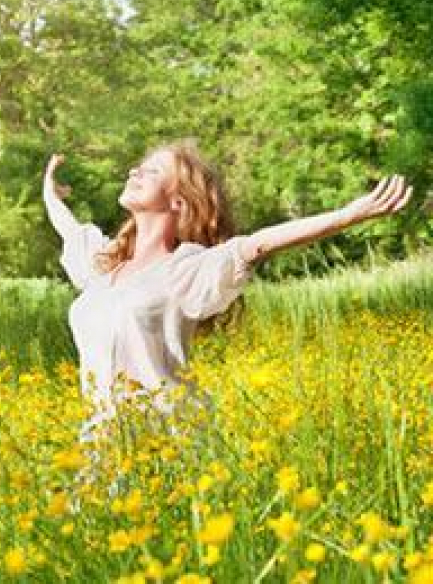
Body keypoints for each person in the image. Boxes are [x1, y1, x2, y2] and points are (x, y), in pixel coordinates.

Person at [43, 139, 413, 452]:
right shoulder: (104, 267)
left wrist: (346, 216)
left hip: (163, 441)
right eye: (137, 169)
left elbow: (256, 245)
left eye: (152, 171)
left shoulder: (185, 269)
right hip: (101, 442)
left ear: (178, 202)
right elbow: (69, 229)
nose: (133, 173)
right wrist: (49, 190)